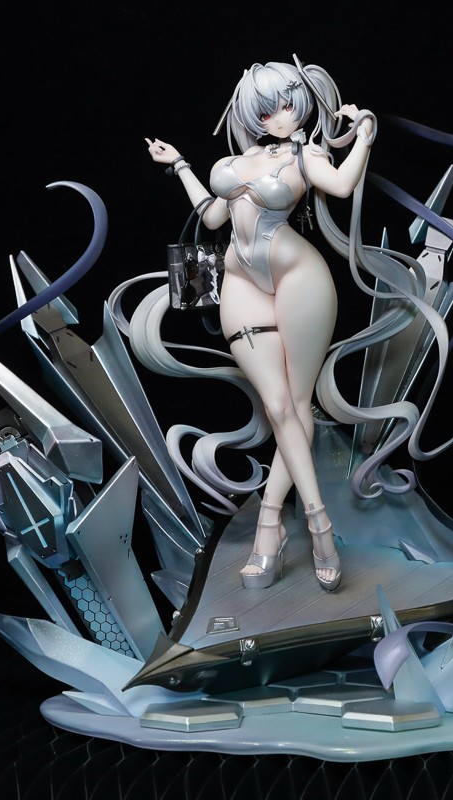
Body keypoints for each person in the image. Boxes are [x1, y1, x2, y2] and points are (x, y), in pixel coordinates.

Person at [145, 58, 382, 593]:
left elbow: (343, 185)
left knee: (293, 405)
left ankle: (284, 527)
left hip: (299, 276)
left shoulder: (306, 154)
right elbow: (213, 218)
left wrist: (365, 133)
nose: (280, 116)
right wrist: (179, 165)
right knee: (279, 406)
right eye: (267, 109)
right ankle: (315, 525)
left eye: (288, 103)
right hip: (239, 282)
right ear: (251, 114)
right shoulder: (238, 160)